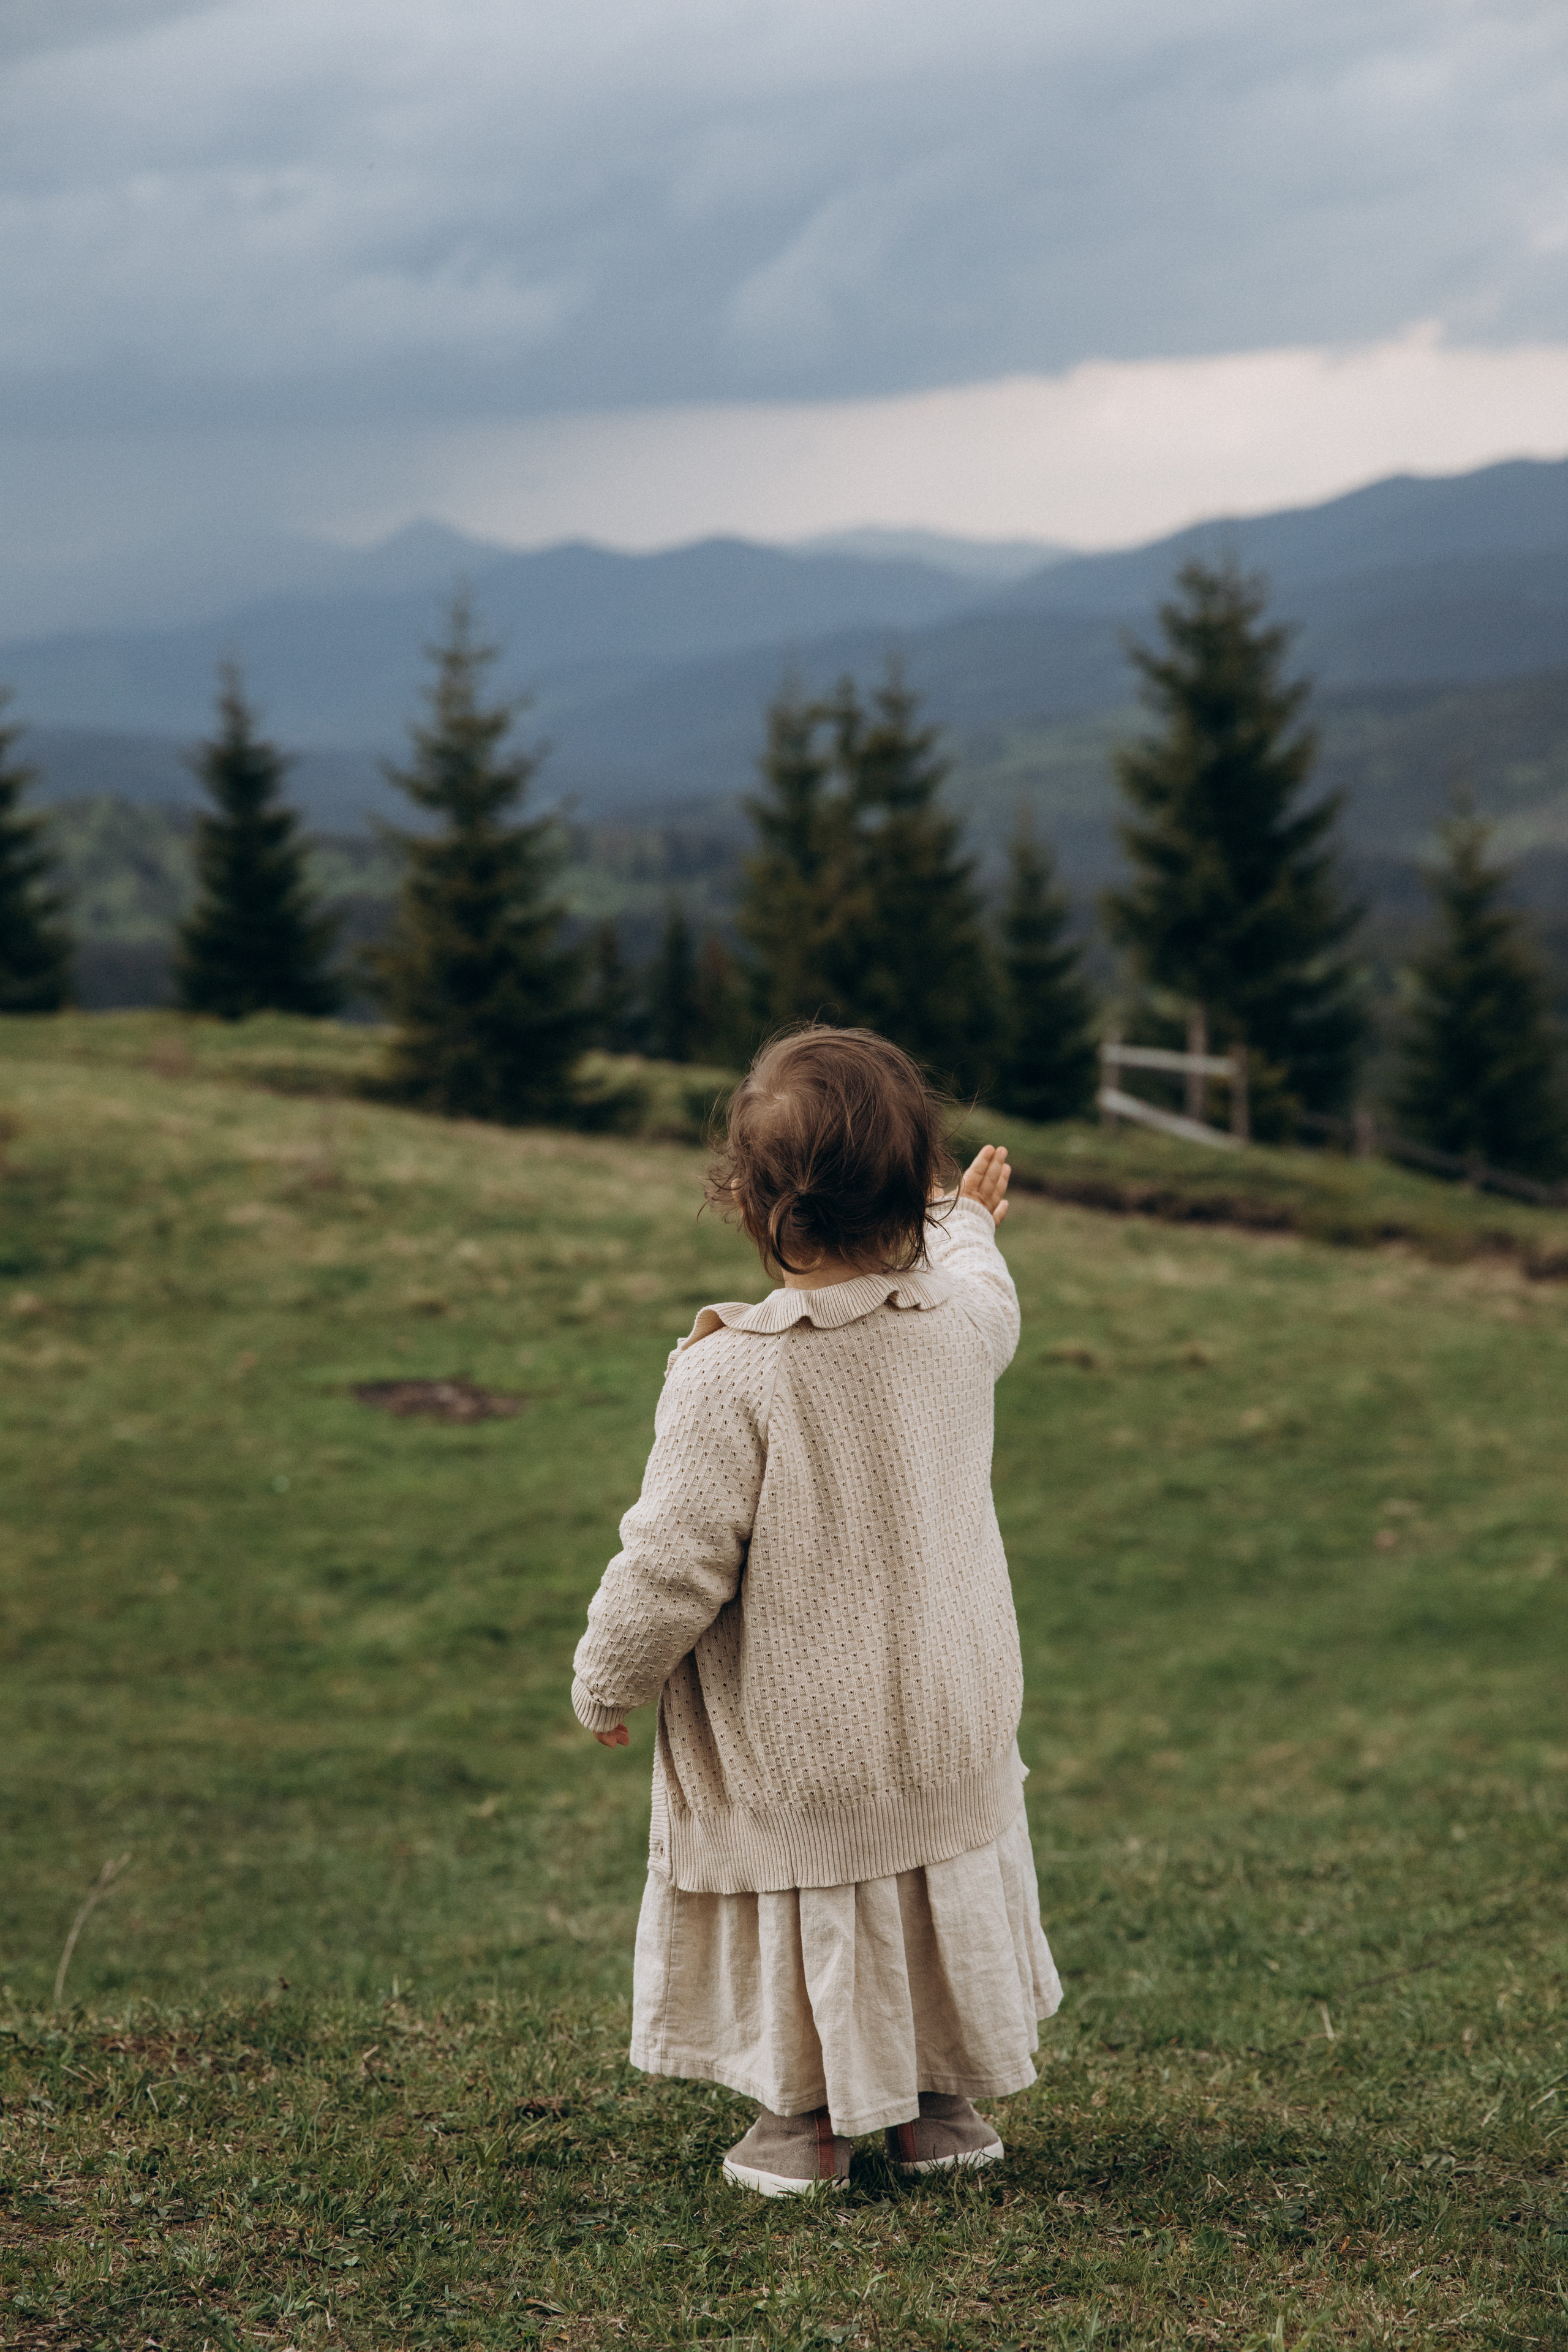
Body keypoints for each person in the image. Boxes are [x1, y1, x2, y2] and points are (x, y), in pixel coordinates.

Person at [571, 1025, 1061, 2193]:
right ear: (910, 1185)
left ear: (748, 1198)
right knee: (928, 1879)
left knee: (816, 1900)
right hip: (951, 1716)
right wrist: (966, 1224)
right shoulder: (955, 1328)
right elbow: (980, 1282)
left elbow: (674, 1562)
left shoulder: (732, 1375)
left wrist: (607, 1675)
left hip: (806, 1744)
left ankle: (804, 2125)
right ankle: (943, 2112)